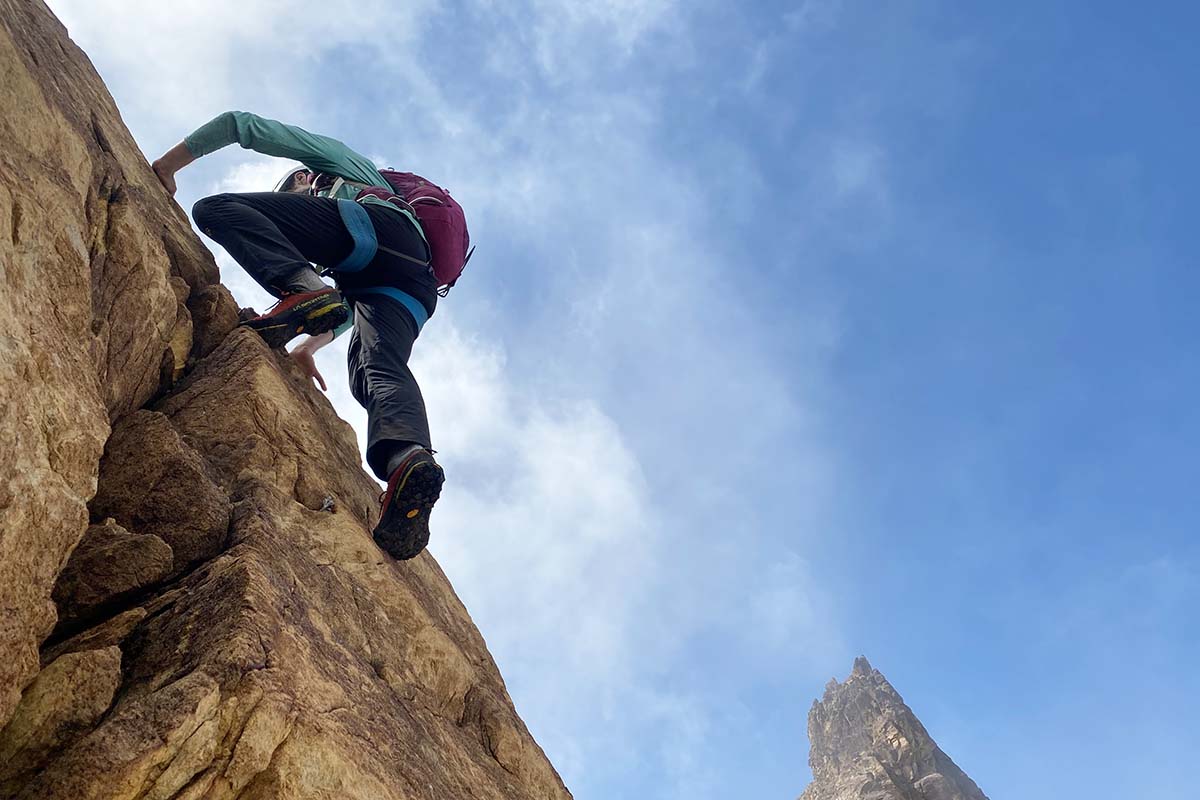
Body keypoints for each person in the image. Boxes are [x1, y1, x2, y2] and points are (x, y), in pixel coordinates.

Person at [152, 110, 449, 560]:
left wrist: (167, 166)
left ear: (305, 179)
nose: (293, 205)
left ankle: (300, 287)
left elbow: (240, 124)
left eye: (290, 194)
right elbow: (347, 311)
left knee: (218, 209)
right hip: (411, 284)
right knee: (374, 366)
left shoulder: (337, 167)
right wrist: (310, 345)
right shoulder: (365, 245)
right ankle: (407, 459)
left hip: (372, 231)